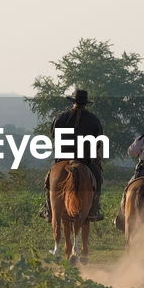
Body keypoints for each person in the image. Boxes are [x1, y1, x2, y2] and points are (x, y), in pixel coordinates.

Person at [40, 89, 105, 222]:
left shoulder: (61, 117)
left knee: (48, 181)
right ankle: (94, 209)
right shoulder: (93, 120)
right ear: (86, 103)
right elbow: (99, 141)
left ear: (73, 101)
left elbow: (53, 135)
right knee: (97, 178)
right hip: (85, 159)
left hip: (62, 157)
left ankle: (48, 209)